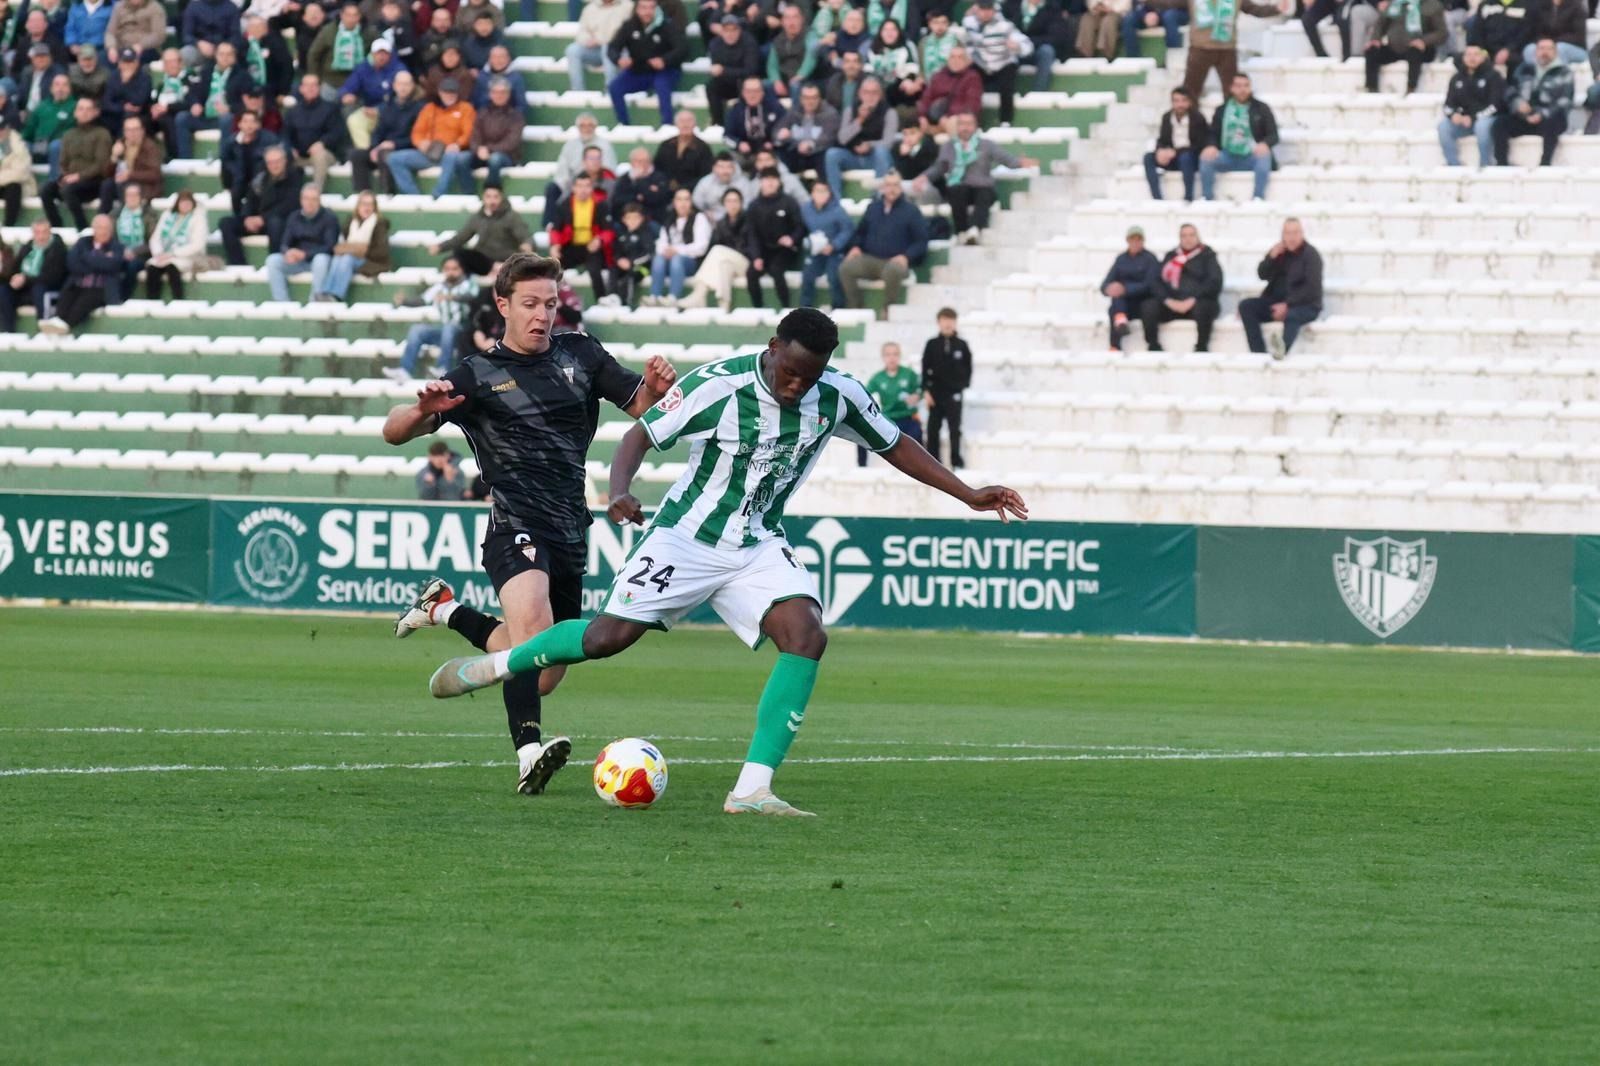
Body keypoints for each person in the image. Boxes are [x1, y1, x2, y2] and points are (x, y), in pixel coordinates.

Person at [426, 307, 1027, 817]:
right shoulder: (719, 384)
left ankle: (751, 789)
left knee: (806, 635)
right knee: (608, 639)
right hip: (683, 538)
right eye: (790, 373)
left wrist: (970, 494)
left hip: (758, 542)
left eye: (808, 377)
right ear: (772, 351)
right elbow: (639, 435)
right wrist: (621, 491)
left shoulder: (837, 393)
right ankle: (506, 661)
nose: (797, 387)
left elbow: (895, 444)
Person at [385, 252, 678, 796]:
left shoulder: (582, 354)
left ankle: (443, 609)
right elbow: (394, 431)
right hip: (513, 523)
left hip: (571, 526)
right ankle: (528, 752)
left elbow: (644, 407)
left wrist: (659, 393)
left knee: (542, 666)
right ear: (503, 306)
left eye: (550, 303)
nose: (542, 315)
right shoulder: (475, 375)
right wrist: (421, 409)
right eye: (530, 304)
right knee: (534, 637)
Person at [916, 110, 1035, 245]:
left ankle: (975, 229)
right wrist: (924, 177)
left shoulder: (986, 145)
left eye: (969, 124)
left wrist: (1020, 163)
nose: (965, 128)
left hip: (982, 186)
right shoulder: (949, 147)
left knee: (984, 193)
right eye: (962, 124)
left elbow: (1004, 158)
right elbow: (940, 167)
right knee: (956, 191)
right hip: (960, 186)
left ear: (975, 126)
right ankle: (961, 231)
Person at [839, 170, 927, 314]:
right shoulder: (873, 208)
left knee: (892, 270)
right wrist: (855, 247)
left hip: (895, 262)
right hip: (870, 259)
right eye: (888, 185)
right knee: (846, 268)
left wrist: (906, 256)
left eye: (895, 185)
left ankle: (887, 309)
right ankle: (856, 308)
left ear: (901, 187)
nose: (892, 189)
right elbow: (860, 232)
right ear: (883, 187)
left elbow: (921, 241)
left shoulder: (911, 211)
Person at [1237, 217, 1323, 358]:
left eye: (1295, 233)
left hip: (1305, 305)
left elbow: (1311, 289)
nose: (1291, 237)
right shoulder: (1279, 252)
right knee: (1246, 306)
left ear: (1302, 233)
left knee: (1292, 315)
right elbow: (1262, 274)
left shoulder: (1311, 255)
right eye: (1288, 233)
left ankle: (1281, 350)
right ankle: (1258, 353)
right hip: (1276, 302)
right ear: (1282, 234)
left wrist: (1288, 305)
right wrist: (1271, 258)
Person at [389, 255, 480, 379]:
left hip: (465, 332)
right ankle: (405, 370)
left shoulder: (469, 284)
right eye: (447, 269)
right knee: (417, 330)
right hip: (446, 334)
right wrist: (404, 301)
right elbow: (422, 300)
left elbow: (474, 297)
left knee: (449, 327)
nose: (451, 272)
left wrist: (452, 297)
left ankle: (443, 368)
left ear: (462, 270)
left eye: (455, 269)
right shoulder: (439, 287)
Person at [1140, 222, 1223, 352]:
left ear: (1197, 237)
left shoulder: (1207, 255)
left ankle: (1201, 346)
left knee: (1205, 307)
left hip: (1197, 303)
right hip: (1173, 305)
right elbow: (1157, 281)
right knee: (1148, 305)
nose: (1188, 239)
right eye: (1184, 236)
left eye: (1191, 235)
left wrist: (1193, 299)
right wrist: (1168, 301)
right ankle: (1153, 345)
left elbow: (1215, 282)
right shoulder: (1171, 256)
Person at [387, 76, 475, 196]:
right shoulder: (429, 108)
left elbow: (469, 132)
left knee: (452, 157)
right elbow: (417, 132)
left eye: (452, 92)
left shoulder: (466, 108)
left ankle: (437, 194)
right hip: (431, 153)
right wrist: (421, 143)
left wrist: (458, 144)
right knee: (394, 158)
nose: (449, 95)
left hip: (453, 152)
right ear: (440, 93)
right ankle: (414, 195)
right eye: (446, 92)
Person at [606, 0, 687, 128]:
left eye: (651, 8)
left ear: (656, 9)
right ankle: (624, 124)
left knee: (662, 84)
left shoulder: (666, 26)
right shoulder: (629, 26)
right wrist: (619, 59)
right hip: (638, 71)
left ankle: (667, 125)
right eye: (643, 8)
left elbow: (682, 49)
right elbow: (613, 48)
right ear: (637, 9)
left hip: (665, 71)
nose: (647, 12)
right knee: (614, 87)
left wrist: (665, 60)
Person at [1492, 37, 1572, 165]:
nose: (1544, 52)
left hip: (1548, 118)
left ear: (1555, 52)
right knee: (1499, 123)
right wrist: (1518, 105)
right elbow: (1510, 91)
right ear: (1535, 52)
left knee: (1555, 119)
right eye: (1541, 48)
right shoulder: (1524, 69)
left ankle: (1545, 163)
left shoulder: (1564, 72)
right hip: (1524, 117)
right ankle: (1502, 163)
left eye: (1549, 48)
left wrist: (1541, 114)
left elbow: (1565, 101)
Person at [38, 212, 122, 334]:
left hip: (101, 287)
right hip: (78, 282)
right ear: (93, 229)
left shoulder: (116, 246)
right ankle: (58, 319)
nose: (103, 232)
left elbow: (113, 265)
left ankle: (67, 324)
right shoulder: (83, 242)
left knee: (88, 298)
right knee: (69, 292)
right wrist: (100, 260)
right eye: (100, 228)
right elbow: (72, 262)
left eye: (106, 228)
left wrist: (87, 258)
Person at [1199, 72, 1277, 201]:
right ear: (1231, 88)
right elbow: (1212, 133)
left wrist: (1265, 144)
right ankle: (1207, 197)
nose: (1243, 89)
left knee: (1264, 156)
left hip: (1251, 155)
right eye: (1239, 86)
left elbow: (1274, 135)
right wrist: (1211, 146)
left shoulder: (1261, 108)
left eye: (1246, 85)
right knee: (1206, 157)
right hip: (1227, 154)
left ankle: (1258, 197)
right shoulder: (1222, 110)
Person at [219, 144, 303, 265]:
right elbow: (250, 199)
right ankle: (238, 264)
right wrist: (247, 217)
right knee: (226, 223)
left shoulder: (294, 177)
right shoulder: (261, 178)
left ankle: (274, 263)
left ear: (284, 161)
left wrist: (263, 219)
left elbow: (289, 205)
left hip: (278, 223)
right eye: (270, 162)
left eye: (277, 161)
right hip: (258, 221)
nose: (274, 165)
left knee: (276, 223)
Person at [1183, 0, 1284, 99]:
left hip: (1227, 50)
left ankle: (1231, 115)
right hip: (1200, 49)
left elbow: (1254, 9)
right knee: (1189, 93)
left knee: (1232, 92)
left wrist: (1276, 9)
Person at [429, 183, 534, 275]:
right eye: (488, 197)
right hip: (484, 260)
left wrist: (527, 245)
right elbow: (461, 238)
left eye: (495, 197)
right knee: (459, 254)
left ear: (501, 198)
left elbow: (525, 236)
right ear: (483, 198)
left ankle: (499, 268)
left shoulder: (511, 216)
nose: (492, 201)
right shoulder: (478, 217)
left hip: (506, 258)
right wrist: (441, 247)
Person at [39, 96, 110, 229]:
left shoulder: (102, 134)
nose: (84, 112)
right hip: (71, 180)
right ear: (75, 112)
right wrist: (64, 176)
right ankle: (56, 227)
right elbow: (63, 161)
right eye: (81, 109)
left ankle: (82, 227)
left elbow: (101, 164)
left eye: (89, 109)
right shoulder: (69, 134)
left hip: (93, 182)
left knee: (68, 190)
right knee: (45, 189)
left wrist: (78, 176)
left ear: (96, 112)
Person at [823, 74, 897, 198]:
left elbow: (888, 142)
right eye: (866, 92)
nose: (870, 97)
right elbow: (842, 138)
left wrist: (870, 145)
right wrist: (859, 120)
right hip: (852, 156)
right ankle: (835, 199)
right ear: (860, 94)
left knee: (881, 152)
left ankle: (878, 198)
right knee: (832, 154)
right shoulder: (850, 110)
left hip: (874, 158)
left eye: (874, 93)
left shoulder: (889, 112)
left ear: (880, 95)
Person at [677, 186, 749, 309]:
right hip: (728, 262)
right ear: (724, 204)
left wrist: (728, 253)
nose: (732, 204)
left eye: (735, 201)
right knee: (724, 265)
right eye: (729, 201)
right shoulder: (721, 223)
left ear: (741, 203)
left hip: (746, 263)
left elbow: (749, 246)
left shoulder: (749, 220)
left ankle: (698, 296)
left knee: (717, 250)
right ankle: (724, 304)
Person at [265, 183, 339, 302]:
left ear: (319, 201)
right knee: (273, 260)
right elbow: (284, 243)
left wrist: (305, 254)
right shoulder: (294, 216)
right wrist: (288, 252)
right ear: (301, 200)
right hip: (298, 261)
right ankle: (282, 303)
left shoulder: (329, 218)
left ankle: (315, 301)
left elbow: (330, 247)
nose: (310, 202)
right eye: (306, 199)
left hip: (318, 261)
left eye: (314, 199)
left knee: (321, 259)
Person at [743, 166, 805, 308]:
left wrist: (791, 239)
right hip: (764, 249)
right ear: (760, 182)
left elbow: (800, 227)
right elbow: (752, 234)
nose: (770, 183)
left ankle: (786, 308)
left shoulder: (789, 202)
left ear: (779, 182)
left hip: (784, 250)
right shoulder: (754, 206)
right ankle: (758, 308)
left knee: (776, 270)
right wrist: (756, 256)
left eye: (773, 179)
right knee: (751, 273)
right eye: (766, 179)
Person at [353, 67, 423, 192]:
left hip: (405, 149)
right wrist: (374, 147)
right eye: (400, 84)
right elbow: (378, 131)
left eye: (407, 84)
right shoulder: (387, 107)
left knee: (384, 155)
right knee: (357, 155)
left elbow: (417, 137)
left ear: (413, 86)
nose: (403, 87)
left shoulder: (420, 108)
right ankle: (363, 194)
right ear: (394, 85)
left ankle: (388, 194)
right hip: (382, 148)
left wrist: (394, 144)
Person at [174, 39, 247, 158]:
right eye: (222, 54)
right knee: (182, 118)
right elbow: (192, 93)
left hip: (227, 119)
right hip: (205, 117)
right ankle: (185, 160)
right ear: (216, 56)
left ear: (234, 57)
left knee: (227, 119)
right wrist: (195, 104)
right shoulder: (206, 72)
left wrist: (229, 108)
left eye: (229, 54)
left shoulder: (243, 76)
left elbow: (247, 104)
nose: (225, 57)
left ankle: (224, 159)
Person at [314, 189, 391, 302]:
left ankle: (336, 296)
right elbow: (343, 242)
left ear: (375, 207)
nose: (367, 208)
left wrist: (359, 250)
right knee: (339, 257)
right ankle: (326, 292)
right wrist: (354, 249)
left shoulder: (379, 224)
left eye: (370, 204)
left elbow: (381, 251)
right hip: (352, 257)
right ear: (358, 206)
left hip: (371, 261)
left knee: (347, 258)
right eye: (364, 204)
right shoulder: (351, 221)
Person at [548, 171, 614, 299]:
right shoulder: (564, 205)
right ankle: (554, 299)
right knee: (552, 267)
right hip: (571, 246)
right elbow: (555, 229)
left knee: (595, 271)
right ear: (574, 188)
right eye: (580, 186)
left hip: (591, 247)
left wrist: (599, 240)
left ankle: (601, 299)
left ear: (592, 187)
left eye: (587, 186)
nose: (583, 190)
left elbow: (609, 231)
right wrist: (555, 245)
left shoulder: (600, 205)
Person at [963, 0, 1028, 125]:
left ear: (993, 10)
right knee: (969, 80)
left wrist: (1017, 47)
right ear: (977, 10)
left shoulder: (1005, 26)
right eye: (982, 9)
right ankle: (972, 120)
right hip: (982, 63)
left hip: (1003, 62)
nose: (985, 13)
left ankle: (1006, 121)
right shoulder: (969, 25)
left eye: (989, 10)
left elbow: (1027, 45)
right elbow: (968, 45)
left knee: (1007, 83)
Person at [859, 341, 924, 466]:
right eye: (888, 354)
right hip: (888, 419)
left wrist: (917, 395)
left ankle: (921, 468)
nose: (892, 358)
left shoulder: (909, 374)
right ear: (883, 357)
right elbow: (864, 394)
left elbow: (922, 389)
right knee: (861, 433)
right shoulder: (878, 378)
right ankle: (861, 466)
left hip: (908, 418)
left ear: (899, 356)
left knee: (917, 435)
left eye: (895, 354)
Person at [453, 75, 521, 194]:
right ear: (490, 94)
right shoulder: (482, 113)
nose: (499, 96)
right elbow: (474, 136)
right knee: (461, 159)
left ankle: (490, 194)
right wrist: (478, 149)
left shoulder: (516, 116)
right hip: (482, 153)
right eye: (495, 92)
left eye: (503, 92)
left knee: (495, 160)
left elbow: (512, 142)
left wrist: (489, 149)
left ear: (508, 95)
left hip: (505, 156)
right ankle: (469, 194)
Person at [920, 306, 970, 467]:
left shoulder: (962, 345)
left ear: (955, 323)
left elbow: (968, 368)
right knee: (933, 429)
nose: (947, 324)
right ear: (938, 322)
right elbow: (924, 368)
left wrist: (961, 387)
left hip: (953, 394)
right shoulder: (932, 344)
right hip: (935, 394)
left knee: (955, 429)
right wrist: (926, 391)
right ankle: (933, 463)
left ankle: (956, 461)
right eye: (944, 320)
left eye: (951, 320)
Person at [1438, 44, 1502, 166]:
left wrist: (1473, 118)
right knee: (1443, 126)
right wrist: (1453, 115)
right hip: (1464, 122)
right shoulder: (1456, 78)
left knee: (1481, 126)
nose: (1472, 58)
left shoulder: (1493, 76)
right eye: (1468, 55)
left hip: (1487, 119)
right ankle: (1453, 164)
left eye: (1476, 55)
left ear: (1483, 57)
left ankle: (1485, 163)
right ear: (1463, 58)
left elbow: (1495, 105)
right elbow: (1448, 104)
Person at [0, 218, 67, 332]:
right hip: (25, 288)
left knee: (39, 289)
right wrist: (12, 276)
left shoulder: (57, 249)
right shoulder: (27, 247)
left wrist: (26, 279)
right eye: (37, 232)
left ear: (50, 232)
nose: (41, 236)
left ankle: (43, 330)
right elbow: (15, 269)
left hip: (47, 289)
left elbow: (52, 277)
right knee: (3, 290)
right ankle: (8, 330)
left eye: (44, 232)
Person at [1100, 225, 1160, 351]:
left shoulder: (1150, 259)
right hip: (1124, 303)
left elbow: (1151, 284)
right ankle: (1115, 344)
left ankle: (1152, 343)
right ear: (1127, 240)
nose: (1135, 242)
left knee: (1124, 299)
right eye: (1132, 239)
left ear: (1143, 241)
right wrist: (1108, 289)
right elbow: (1106, 283)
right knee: (1115, 302)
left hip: (1144, 300)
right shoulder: (1121, 259)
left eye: (1139, 239)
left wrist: (1125, 289)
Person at [283, 73, 348, 189]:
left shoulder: (331, 108)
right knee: (280, 156)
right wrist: (290, 148)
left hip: (325, 154)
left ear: (319, 88)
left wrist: (322, 143)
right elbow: (285, 134)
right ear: (301, 89)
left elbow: (337, 132)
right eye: (307, 85)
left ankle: (315, 194)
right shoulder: (293, 111)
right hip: (299, 155)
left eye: (314, 85)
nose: (310, 88)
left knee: (320, 155)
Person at [1363, 0, 1445, 93]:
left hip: (1421, 48)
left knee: (1414, 52)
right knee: (1372, 51)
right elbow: (1381, 24)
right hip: (1395, 47)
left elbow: (1442, 32)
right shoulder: (1394, 4)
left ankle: (1411, 88)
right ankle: (1371, 88)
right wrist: (1376, 39)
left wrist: (1424, 41)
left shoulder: (1432, 5)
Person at [647, 185, 710, 304]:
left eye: (686, 199)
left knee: (677, 259)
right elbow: (661, 243)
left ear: (691, 202)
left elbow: (701, 247)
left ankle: (673, 297)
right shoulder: (669, 220)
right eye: (679, 199)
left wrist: (676, 250)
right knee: (658, 259)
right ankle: (654, 297)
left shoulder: (699, 218)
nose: (683, 203)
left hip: (692, 262)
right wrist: (666, 251)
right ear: (674, 202)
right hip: (669, 260)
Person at [144, 188, 207, 301]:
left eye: (188, 203)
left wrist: (173, 254)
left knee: (172, 267)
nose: (185, 206)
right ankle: (152, 301)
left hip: (186, 256)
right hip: (163, 254)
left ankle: (178, 300)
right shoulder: (168, 216)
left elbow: (197, 244)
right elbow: (155, 238)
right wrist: (158, 253)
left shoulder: (198, 218)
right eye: (182, 203)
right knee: (152, 268)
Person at [1145, 86, 1206, 201]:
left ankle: (1188, 197)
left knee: (1186, 158)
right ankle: (1157, 197)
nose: (1180, 104)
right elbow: (1162, 139)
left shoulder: (1198, 118)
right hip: (1171, 158)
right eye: (1176, 101)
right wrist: (1160, 151)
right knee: (1148, 157)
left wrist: (1176, 152)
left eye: (1183, 100)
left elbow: (1199, 145)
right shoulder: (1167, 117)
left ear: (1189, 102)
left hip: (1191, 158)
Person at [800, 180, 852, 307]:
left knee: (834, 277)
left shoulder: (838, 210)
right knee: (807, 276)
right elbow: (801, 228)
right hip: (816, 251)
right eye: (818, 191)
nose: (821, 195)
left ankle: (838, 308)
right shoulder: (806, 209)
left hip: (834, 251)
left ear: (830, 194)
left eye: (824, 191)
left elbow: (848, 229)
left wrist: (834, 245)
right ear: (812, 193)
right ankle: (805, 309)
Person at [307, 1, 376, 94]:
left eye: (355, 15)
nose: (351, 19)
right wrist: (314, 75)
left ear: (359, 16)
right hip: (331, 81)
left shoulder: (368, 33)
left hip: (358, 82)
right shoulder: (329, 30)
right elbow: (314, 54)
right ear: (341, 15)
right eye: (348, 15)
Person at [98, 113, 161, 213]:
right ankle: (103, 219)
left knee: (125, 186)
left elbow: (155, 174)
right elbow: (106, 174)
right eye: (128, 130)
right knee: (107, 185)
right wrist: (114, 157)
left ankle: (125, 217)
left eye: (135, 129)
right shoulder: (120, 145)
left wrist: (130, 175)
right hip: (122, 184)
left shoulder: (150, 147)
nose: (132, 133)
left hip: (144, 186)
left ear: (142, 131)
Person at [706, 14, 761, 126]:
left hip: (744, 81)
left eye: (733, 30)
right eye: (726, 30)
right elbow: (716, 70)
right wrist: (721, 72)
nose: (730, 34)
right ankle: (718, 123)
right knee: (711, 86)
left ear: (739, 30)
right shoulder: (715, 44)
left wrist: (724, 71)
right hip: (726, 82)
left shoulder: (749, 42)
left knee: (746, 85)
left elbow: (751, 70)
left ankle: (745, 122)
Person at [567, 0, 631, 92]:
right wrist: (587, 39)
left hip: (619, 50)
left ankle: (611, 90)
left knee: (608, 48)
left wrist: (602, 40)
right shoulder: (590, 8)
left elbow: (627, 33)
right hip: (595, 50)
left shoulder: (627, 6)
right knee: (572, 50)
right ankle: (578, 91)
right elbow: (582, 31)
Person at [918, 42, 982, 132]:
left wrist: (948, 116)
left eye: (960, 57)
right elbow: (926, 99)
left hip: (957, 119)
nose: (956, 60)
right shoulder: (938, 76)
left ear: (967, 61)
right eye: (952, 57)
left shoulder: (973, 78)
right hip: (935, 119)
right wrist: (922, 116)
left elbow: (972, 105)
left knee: (954, 122)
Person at [724, 76, 785, 167]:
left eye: (756, 91)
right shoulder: (734, 110)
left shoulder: (776, 108)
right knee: (729, 162)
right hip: (744, 154)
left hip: (770, 152)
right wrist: (738, 144)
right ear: (743, 93)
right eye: (748, 91)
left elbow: (785, 131)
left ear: (762, 92)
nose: (752, 95)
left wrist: (773, 143)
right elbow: (726, 137)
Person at [109, 181, 157, 296]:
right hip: (120, 252)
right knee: (109, 263)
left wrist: (134, 251)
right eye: (129, 195)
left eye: (135, 195)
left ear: (140, 197)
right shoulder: (115, 214)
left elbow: (153, 241)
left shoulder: (149, 215)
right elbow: (109, 238)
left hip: (142, 254)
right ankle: (111, 296)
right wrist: (122, 251)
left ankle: (125, 296)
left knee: (132, 265)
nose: (132, 198)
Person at [610, 200, 658, 306]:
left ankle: (625, 302)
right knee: (613, 269)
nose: (632, 221)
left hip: (643, 268)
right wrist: (619, 260)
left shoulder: (646, 234)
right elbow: (616, 251)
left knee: (631, 274)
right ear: (624, 220)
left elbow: (648, 254)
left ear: (641, 218)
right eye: (629, 218)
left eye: (636, 218)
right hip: (624, 265)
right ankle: (612, 296)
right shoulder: (622, 234)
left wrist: (631, 263)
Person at [766, 3, 819, 97]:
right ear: (782, 22)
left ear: (801, 19)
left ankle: (794, 112)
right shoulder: (778, 40)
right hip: (784, 78)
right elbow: (772, 65)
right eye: (787, 18)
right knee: (757, 86)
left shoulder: (810, 35)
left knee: (795, 86)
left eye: (795, 17)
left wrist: (799, 76)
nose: (791, 22)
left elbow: (811, 58)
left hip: (804, 80)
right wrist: (776, 81)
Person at [653, 108, 713, 190]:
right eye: (682, 121)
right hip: (665, 191)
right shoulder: (666, 145)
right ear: (676, 124)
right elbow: (657, 168)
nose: (685, 124)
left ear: (695, 124)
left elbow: (705, 176)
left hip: (692, 192)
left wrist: (683, 188)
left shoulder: (703, 148)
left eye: (689, 121)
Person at [611, 145, 673, 224]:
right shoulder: (624, 179)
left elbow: (658, 199)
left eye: (645, 161)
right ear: (632, 162)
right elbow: (618, 200)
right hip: (626, 220)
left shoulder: (660, 178)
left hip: (653, 220)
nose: (642, 164)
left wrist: (640, 181)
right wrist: (637, 197)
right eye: (639, 161)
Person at [103, 46, 154, 130]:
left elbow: (139, 101)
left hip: (140, 114)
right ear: (119, 63)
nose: (128, 65)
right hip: (117, 112)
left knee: (129, 114)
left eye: (131, 62)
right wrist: (122, 107)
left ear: (136, 62)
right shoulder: (113, 77)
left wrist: (125, 84)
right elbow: (106, 102)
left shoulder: (144, 77)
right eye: (125, 62)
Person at [1523, 0, 1584, 66]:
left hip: (1571, 47)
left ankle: (1558, 75)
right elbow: (1535, 30)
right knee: (1529, 49)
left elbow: (1579, 36)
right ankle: (1537, 74)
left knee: (1560, 48)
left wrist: (1553, 43)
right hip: (1545, 42)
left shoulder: (1576, 6)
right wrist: (1543, 43)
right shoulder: (1541, 5)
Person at [0, 113, 35, 225]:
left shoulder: (17, 145)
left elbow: (20, 173)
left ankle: (8, 226)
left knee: (14, 187)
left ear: (7, 129)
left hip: (13, 186)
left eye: (2, 128)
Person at [1123, 0, 1189, 60]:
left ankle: (1174, 59)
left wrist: (1158, 14)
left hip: (1176, 11)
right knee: (1129, 19)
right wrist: (1144, 15)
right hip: (1149, 13)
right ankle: (1134, 59)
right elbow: (1136, 4)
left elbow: (1183, 3)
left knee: (1169, 16)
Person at [692, 151, 747, 218]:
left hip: (736, 220)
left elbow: (746, 206)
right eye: (721, 167)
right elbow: (696, 201)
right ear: (714, 168)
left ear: (734, 168)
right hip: (711, 219)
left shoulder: (743, 183)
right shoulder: (705, 182)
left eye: (729, 167)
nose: (725, 171)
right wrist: (706, 213)